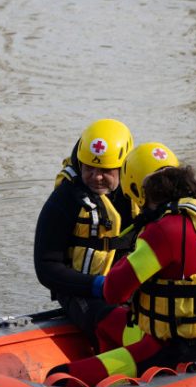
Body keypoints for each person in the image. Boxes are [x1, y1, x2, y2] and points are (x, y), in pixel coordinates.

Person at [57, 144, 196, 385]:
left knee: (59, 375)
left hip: (173, 349)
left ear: (138, 189)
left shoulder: (162, 231)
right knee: (108, 326)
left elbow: (113, 291)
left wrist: (134, 242)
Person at [33, 119, 136, 349]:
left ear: (124, 167)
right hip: (82, 290)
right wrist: (98, 285)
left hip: (128, 287)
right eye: (89, 168)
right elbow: (46, 268)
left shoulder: (137, 193)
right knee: (121, 325)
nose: (96, 177)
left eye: (105, 171)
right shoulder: (64, 200)